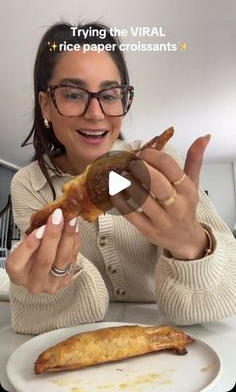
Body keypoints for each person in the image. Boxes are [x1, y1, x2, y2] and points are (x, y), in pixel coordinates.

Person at [6, 22, 236, 335]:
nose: (97, 113)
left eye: (111, 95)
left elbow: (223, 298)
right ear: (46, 104)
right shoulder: (29, 185)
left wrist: (191, 246)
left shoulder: (160, 165)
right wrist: (52, 284)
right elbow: (56, 317)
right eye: (74, 94)